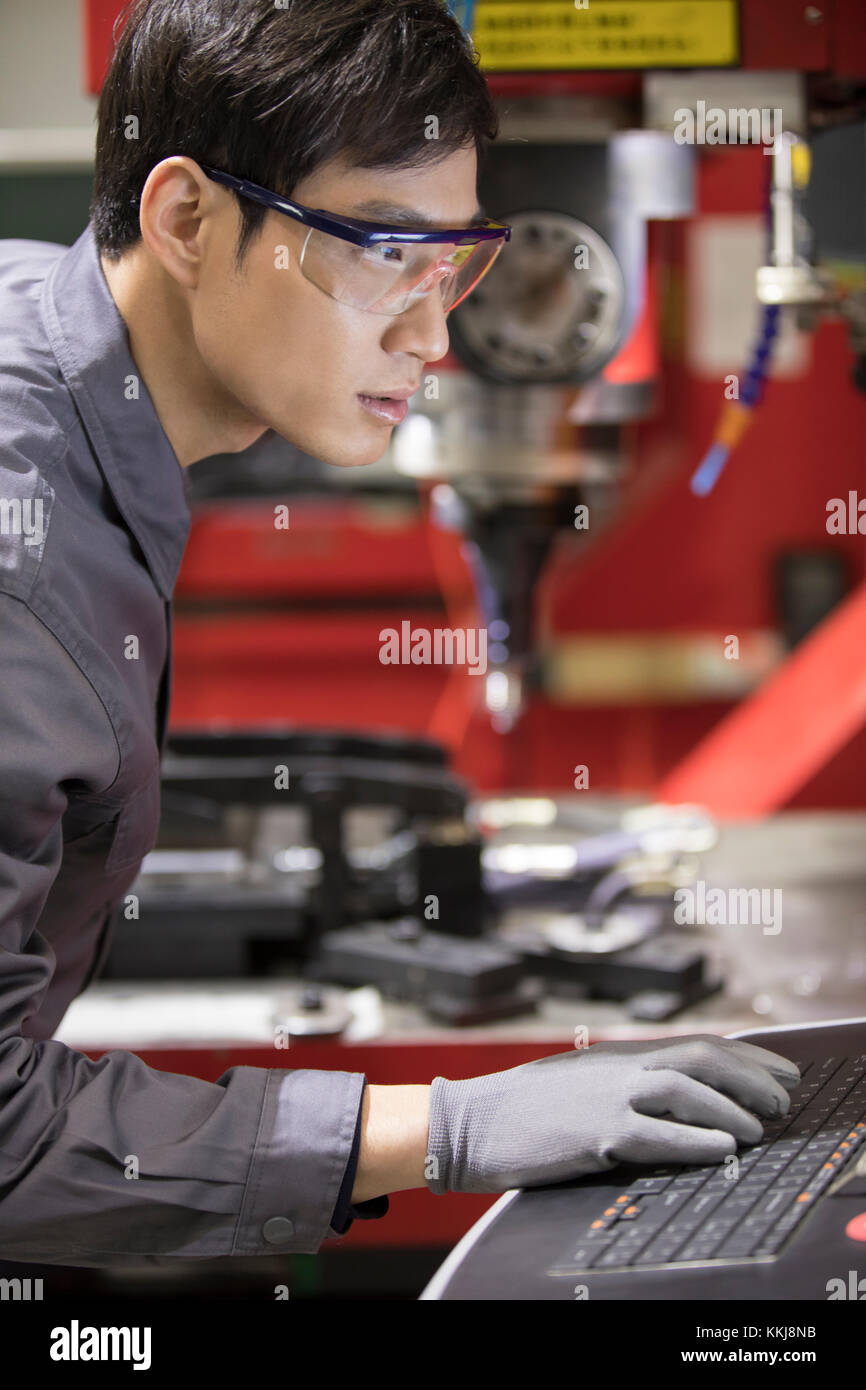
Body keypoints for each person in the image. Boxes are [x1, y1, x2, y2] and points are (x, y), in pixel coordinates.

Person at [0, 0, 800, 1268]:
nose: (433, 338)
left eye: (456, 267)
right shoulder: (21, 554)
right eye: (385, 252)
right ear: (188, 220)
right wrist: (447, 1126)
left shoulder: (51, 364)